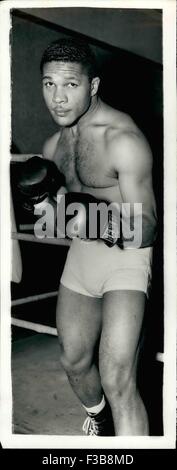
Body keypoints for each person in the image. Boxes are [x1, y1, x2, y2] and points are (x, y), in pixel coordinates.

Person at [39, 38, 157, 436]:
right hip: (82, 259)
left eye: (70, 85)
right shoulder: (53, 146)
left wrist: (87, 222)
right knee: (74, 361)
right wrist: (44, 210)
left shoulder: (123, 139)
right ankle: (98, 418)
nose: (58, 97)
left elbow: (148, 227)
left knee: (118, 377)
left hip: (127, 260)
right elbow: (55, 222)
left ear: (91, 86)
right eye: (49, 84)